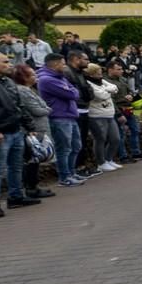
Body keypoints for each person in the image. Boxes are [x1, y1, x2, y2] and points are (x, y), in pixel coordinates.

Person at [0, 54, 39, 214]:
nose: (10, 64)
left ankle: (15, 197)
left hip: (16, 130)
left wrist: (29, 125)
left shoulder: (7, 81)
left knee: (15, 166)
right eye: (5, 62)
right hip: (3, 132)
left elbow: (19, 105)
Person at [37, 54, 84, 186]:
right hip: (59, 117)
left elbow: (75, 91)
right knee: (64, 148)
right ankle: (64, 177)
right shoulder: (46, 79)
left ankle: (71, 172)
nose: (65, 66)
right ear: (55, 64)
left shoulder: (60, 77)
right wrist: (71, 91)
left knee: (76, 146)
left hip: (70, 116)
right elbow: (72, 93)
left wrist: (71, 90)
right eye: (63, 64)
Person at [12, 64, 55, 200]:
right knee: (32, 160)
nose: (36, 76)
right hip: (34, 130)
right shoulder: (22, 91)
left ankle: (33, 187)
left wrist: (45, 108)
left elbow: (42, 107)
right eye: (32, 74)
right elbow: (38, 110)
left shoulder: (29, 89)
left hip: (39, 128)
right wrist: (47, 109)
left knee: (35, 161)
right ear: (23, 77)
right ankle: (31, 189)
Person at [105, 60, 142, 162]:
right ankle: (123, 156)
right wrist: (118, 113)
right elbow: (110, 100)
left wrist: (131, 96)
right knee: (120, 134)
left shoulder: (122, 79)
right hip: (117, 110)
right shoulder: (106, 82)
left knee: (135, 130)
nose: (122, 71)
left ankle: (136, 153)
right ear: (110, 70)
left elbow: (130, 92)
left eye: (121, 69)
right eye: (118, 69)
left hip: (128, 109)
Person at [83, 63, 121, 174]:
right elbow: (100, 96)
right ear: (91, 73)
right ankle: (101, 163)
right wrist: (109, 91)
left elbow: (115, 87)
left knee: (115, 139)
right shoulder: (88, 83)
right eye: (98, 72)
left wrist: (107, 91)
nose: (101, 74)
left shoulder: (102, 81)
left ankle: (109, 159)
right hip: (96, 115)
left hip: (109, 114)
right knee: (100, 139)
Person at [64, 50, 94, 174]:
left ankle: (81, 165)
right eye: (85, 59)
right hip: (76, 110)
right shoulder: (67, 72)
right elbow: (73, 93)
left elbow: (88, 91)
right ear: (76, 59)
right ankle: (76, 167)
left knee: (82, 139)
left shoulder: (81, 73)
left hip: (84, 108)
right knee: (76, 141)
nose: (88, 61)